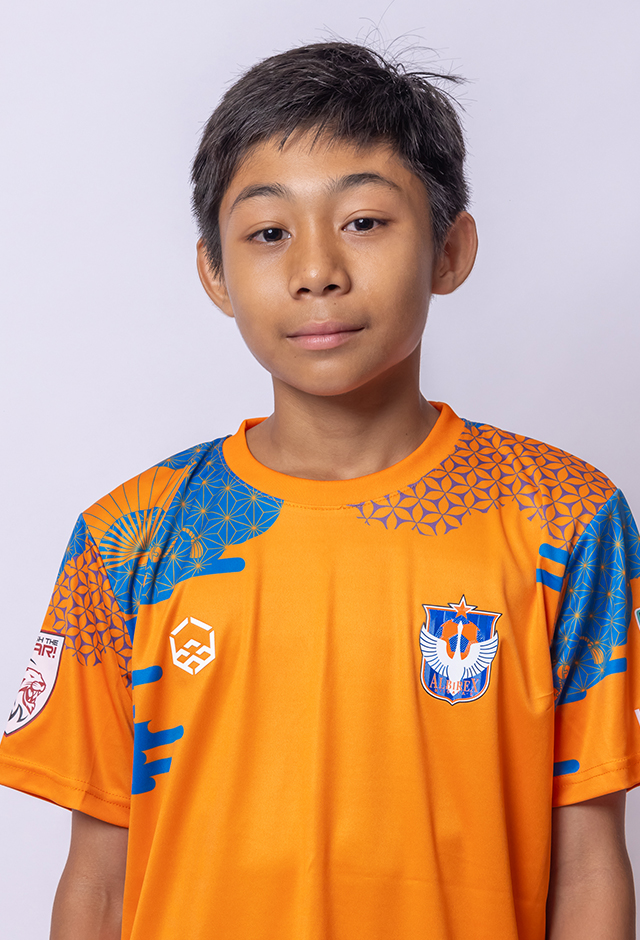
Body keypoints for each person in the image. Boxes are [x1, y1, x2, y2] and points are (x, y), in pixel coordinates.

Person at [0, 40, 638, 940]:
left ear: (450, 250)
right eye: (269, 233)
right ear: (214, 272)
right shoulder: (129, 538)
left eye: (365, 221)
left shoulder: (565, 519)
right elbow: (100, 880)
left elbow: (589, 862)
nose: (316, 271)